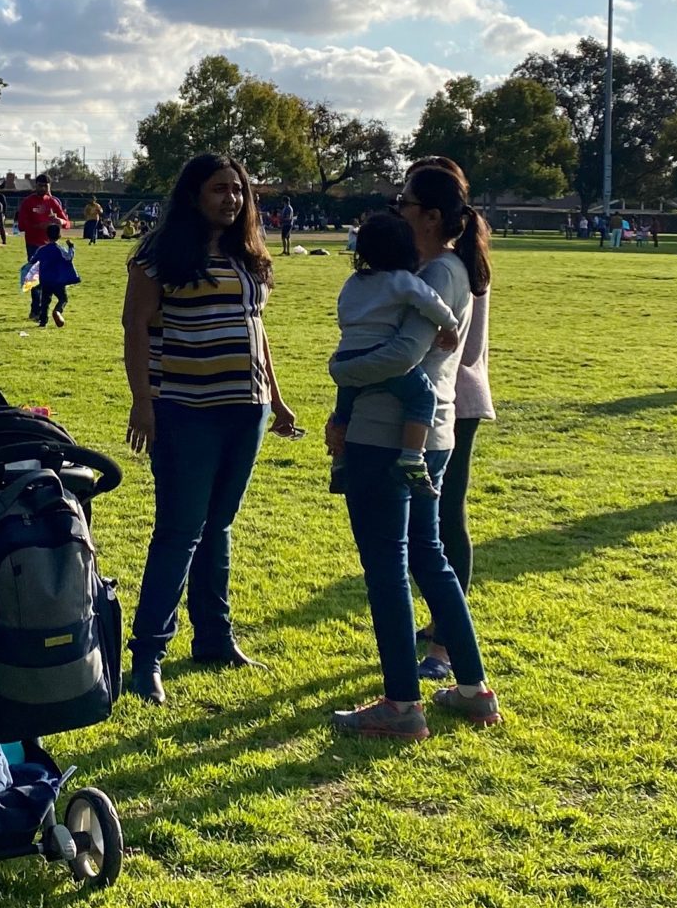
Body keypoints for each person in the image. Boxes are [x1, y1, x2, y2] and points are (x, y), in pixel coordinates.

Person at [322, 165, 498, 739]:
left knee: (388, 569)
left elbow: (402, 357)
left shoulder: (440, 273)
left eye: (405, 201)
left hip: (390, 437)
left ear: (431, 215)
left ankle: (402, 705)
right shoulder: (424, 273)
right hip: (423, 434)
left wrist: (341, 370)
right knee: (427, 557)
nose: (397, 209)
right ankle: (471, 690)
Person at [120, 153, 296, 704]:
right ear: (193, 194)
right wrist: (142, 403)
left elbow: (256, 327)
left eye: (239, 191)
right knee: (179, 531)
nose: (231, 200)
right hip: (183, 407)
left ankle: (215, 639)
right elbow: (134, 327)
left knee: (218, 527)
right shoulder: (161, 254)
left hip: (246, 408)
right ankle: (148, 653)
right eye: (220, 190)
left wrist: (277, 397)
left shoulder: (248, 253)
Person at [406, 156, 493, 685]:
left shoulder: (448, 265)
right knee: (434, 523)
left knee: (440, 525)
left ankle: (445, 640)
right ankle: (442, 623)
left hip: (448, 400)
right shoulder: (457, 257)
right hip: (451, 396)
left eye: (407, 201)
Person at [326, 212, 462, 489]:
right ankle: (412, 458)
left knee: (344, 413)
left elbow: (343, 313)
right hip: (380, 352)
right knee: (423, 396)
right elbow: (431, 302)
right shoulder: (401, 280)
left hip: (347, 353)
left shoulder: (354, 282)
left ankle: (339, 461)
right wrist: (449, 325)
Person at [28, 223, 80, 325]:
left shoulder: (42, 249)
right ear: (59, 236)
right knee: (63, 298)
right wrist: (71, 247)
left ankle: (43, 321)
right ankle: (57, 310)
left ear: (46, 235)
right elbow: (69, 257)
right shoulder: (59, 249)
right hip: (58, 280)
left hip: (45, 279)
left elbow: (32, 260)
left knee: (45, 301)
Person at [15, 174, 70, 262]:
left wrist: (61, 221)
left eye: (46, 186)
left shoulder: (52, 202)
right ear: (36, 185)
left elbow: (67, 224)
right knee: (35, 272)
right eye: (40, 186)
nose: (43, 188)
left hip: (51, 244)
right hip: (33, 244)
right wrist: (39, 226)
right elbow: (21, 226)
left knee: (51, 272)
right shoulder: (28, 202)